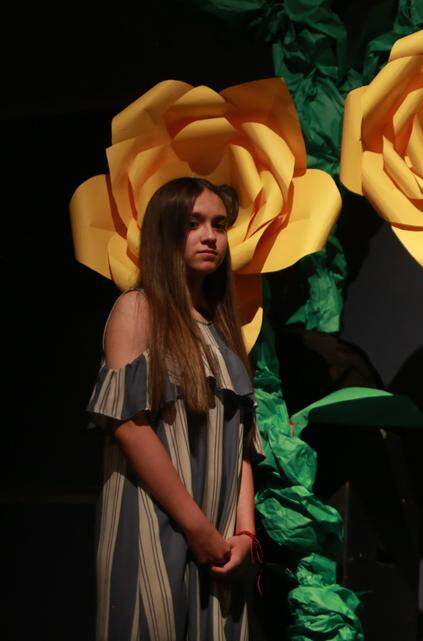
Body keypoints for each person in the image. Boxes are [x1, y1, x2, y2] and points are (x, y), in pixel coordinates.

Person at [87, 177, 263, 641]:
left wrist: (243, 532)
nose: (211, 236)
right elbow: (128, 425)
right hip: (155, 522)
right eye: (193, 224)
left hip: (219, 541)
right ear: (166, 233)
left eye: (219, 224)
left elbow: (243, 440)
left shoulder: (223, 327)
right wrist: (196, 527)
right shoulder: (137, 310)